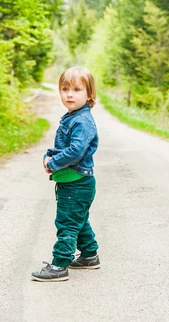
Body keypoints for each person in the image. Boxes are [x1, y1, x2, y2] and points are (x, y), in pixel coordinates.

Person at [31, 66, 101, 282]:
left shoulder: (82, 121)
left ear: (89, 94)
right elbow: (64, 147)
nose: (70, 94)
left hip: (77, 183)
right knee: (78, 220)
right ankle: (89, 255)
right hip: (74, 182)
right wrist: (48, 155)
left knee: (67, 223)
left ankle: (59, 264)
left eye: (77, 90)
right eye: (65, 89)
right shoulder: (72, 117)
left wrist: (53, 162)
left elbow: (76, 151)